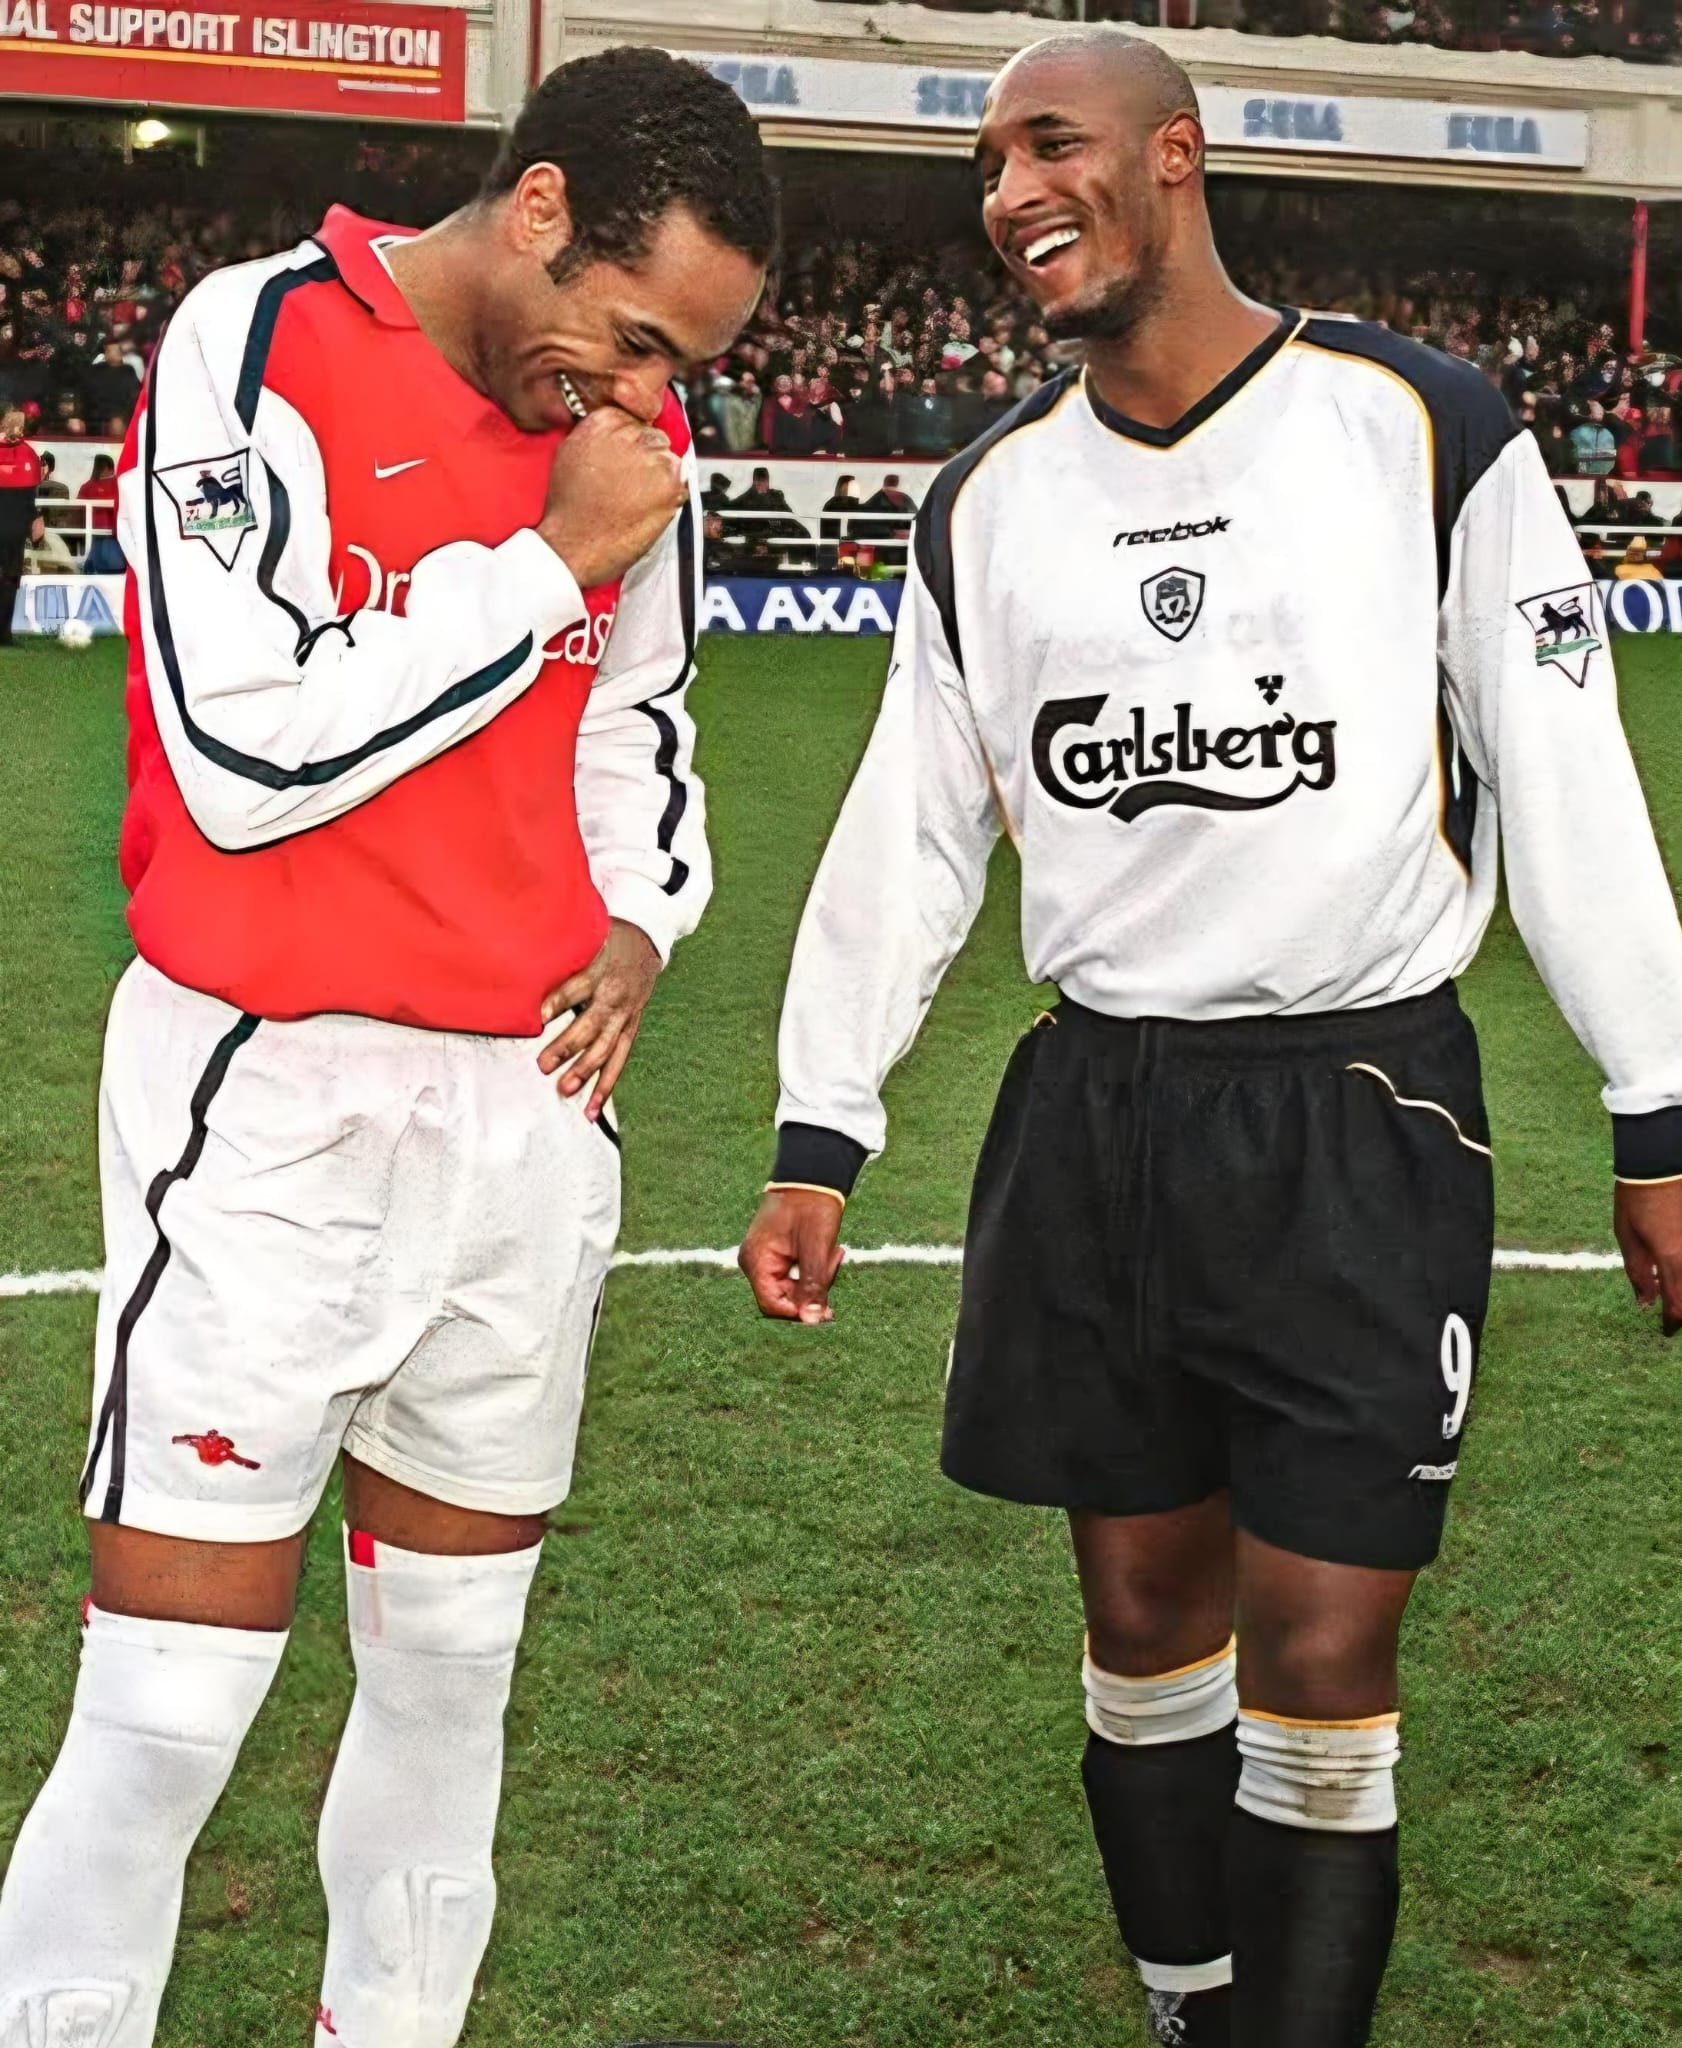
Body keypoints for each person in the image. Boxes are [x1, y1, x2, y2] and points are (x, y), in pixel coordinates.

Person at [737, 32, 1682, 2048]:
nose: (1009, 191)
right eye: (987, 164)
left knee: (1321, 1649)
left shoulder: (1419, 427)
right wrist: (822, 1122)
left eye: (1049, 143)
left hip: (1357, 1102)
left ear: (1174, 155)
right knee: (1142, 1616)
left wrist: (1658, 1100)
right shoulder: (987, 501)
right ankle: (1189, 2002)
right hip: (1099, 1108)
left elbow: (1563, 775)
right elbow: (912, 826)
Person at [0, 46, 773, 2048]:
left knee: (448, 1683)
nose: (641, 396)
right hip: (269, 1095)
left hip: (525, 1112)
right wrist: (543, 565)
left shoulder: (629, 443)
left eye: (678, 366)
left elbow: (639, 721)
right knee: (167, 1709)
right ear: (538, 210)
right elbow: (242, 752)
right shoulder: (253, 339)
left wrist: (640, 913)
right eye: (630, 338)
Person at [0, 408, 43, 646]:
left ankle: (4, 633)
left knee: (10, 580)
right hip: (14, 527)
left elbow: (29, 497)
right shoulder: (28, 454)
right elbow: (30, 497)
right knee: (9, 579)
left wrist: (35, 517)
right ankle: (3, 633)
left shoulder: (28, 454)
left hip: (13, 529)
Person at [854, 471, 917, 570]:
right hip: (895, 548)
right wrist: (897, 533)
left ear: (885, 483)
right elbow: (916, 517)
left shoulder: (877, 499)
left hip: (890, 547)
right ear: (897, 483)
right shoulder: (905, 498)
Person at [77, 451, 123, 574]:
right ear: (109, 468)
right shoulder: (118, 485)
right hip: (109, 536)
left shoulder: (87, 487)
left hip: (98, 536)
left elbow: (78, 510)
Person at [1569, 398, 1616, 476]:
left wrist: (1588, 454)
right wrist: (1585, 476)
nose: (1600, 410)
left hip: (1602, 475)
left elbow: (1610, 459)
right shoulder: (1578, 432)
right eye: (1596, 407)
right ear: (1588, 412)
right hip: (1583, 477)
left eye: (1600, 408)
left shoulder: (1608, 434)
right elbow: (1577, 457)